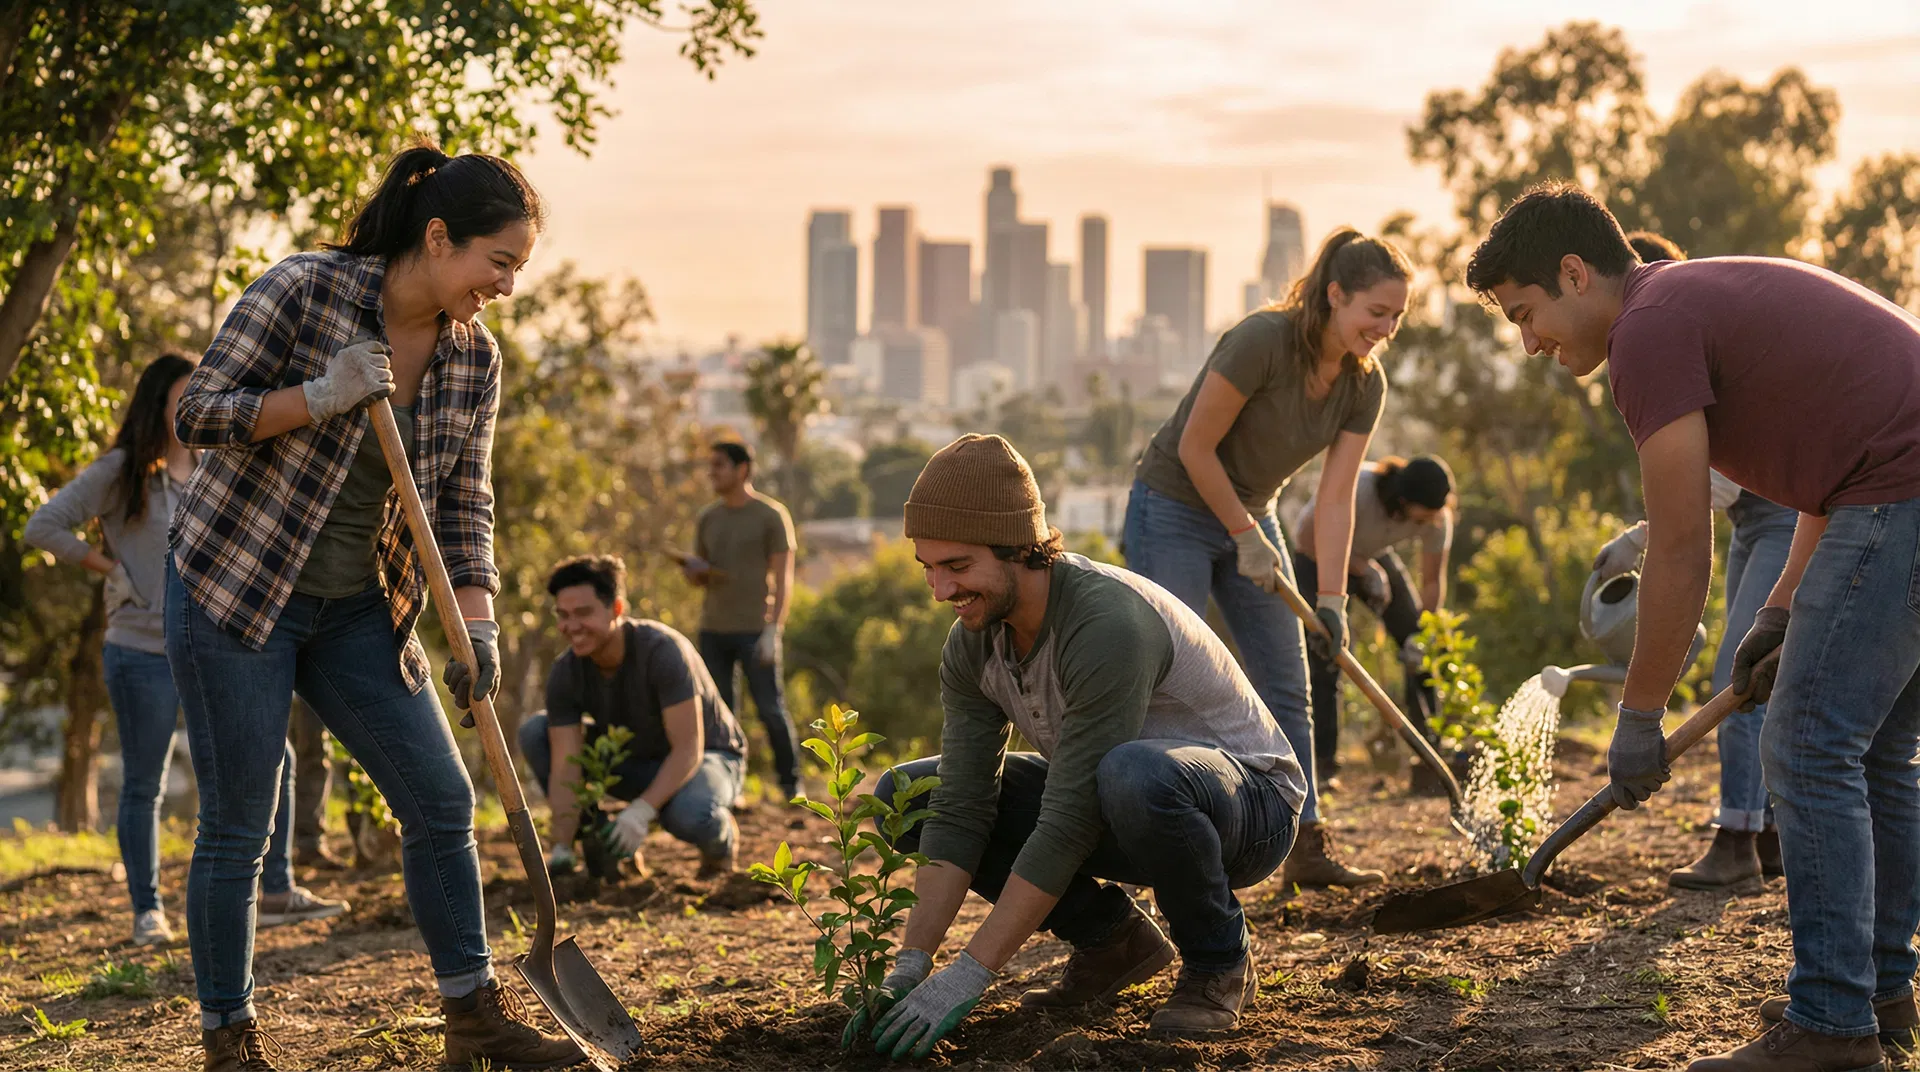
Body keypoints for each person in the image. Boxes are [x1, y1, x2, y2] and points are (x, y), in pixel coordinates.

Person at [1467, 181, 1920, 1072]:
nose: (1528, 344)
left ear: (1573, 272)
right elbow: (1829, 467)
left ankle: (1833, 1026)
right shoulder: (1691, 296)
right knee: (1872, 754)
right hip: (1891, 488)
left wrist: (1640, 717)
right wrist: (1782, 605)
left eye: (1526, 314)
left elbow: (1679, 545)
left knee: (1806, 745)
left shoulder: (1649, 327)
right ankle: (1878, 989)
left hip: (1900, 495)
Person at [166, 145, 581, 1072]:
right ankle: (229, 1041)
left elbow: (464, 506)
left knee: (441, 800)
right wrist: (318, 396)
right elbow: (197, 412)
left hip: (358, 605)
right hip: (237, 588)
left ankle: (472, 1017)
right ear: (438, 238)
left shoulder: (474, 360)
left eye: (519, 269)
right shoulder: (306, 291)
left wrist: (477, 623)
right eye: (499, 263)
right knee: (241, 821)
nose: (507, 287)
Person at [857, 434, 1305, 1059]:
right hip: (1121, 798)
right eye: (928, 568)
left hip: (1246, 806)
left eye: (957, 567)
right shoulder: (974, 640)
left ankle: (1216, 961)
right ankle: (1114, 942)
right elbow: (963, 804)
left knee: (1133, 773)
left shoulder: (1106, 624)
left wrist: (970, 974)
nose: (940, 591)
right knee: (913, 794)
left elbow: (1069, 816)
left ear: (1019, 548)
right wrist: (912, 964)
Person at [1123, 226, 1411, 888]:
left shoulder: (1364, 384)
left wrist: (1333, 600)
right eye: (1377, 312)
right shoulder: (1263, 340)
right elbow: (1196, 447)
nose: (1386, 328)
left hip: (1255, 512)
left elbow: (1336, 499)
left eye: (1397, 317)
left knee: (1289, 681)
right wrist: (1242, 533)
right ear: (1336, 295)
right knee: (1165, 678)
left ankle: (1304, 842)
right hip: (1172, 506)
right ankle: (1145, 855)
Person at [26, 355, 345, 947]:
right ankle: (148, 910)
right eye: (183, 396)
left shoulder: (213, 464)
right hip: (142, 650)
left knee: (276, 755)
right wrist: (111, 567)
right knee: (143, 782)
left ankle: (276, 889)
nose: (195, 404)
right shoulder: (121, 471)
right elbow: (43, 525)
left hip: (211, 645)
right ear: (156, 404)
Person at [1586, 230, 1797, 892]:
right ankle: (1763, 837)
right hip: (1758, 520)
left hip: (1786, 514)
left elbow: (1706, 490)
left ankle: (1736, 838)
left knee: (1737, 672)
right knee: (1758, 676)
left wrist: (1636, 541)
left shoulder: (1684, 333)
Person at [519, 555, 748, 879]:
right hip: (637, 760)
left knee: (691, 814)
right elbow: (566, 766)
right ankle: (605, 844)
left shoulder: (662, 651)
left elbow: (688, 749)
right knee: (536, 731)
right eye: (564, 616)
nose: (572, 627)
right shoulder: (567, 672)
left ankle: (721, 845)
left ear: (616, 609)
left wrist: (640, 812)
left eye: (583, 613)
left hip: (706, 758)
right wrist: (562, 845)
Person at [1288, 454, 1455, 784]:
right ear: (1404, 502)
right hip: (1317, 559)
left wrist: (1426, 631)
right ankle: (1323, 767)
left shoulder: (1437, 516)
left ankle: (1431, 751)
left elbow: (1433, 582)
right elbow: (1305, 539)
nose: (1434, 520)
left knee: (1416, 644)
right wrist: (1363, 569)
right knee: (1326, 655)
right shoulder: (1358, 487)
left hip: (1373, 557)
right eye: (1426, 514)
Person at [682, 441, 800, 802]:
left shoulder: (771, 515)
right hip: (713, 628)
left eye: (719, 465)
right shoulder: (708, 517)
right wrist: (694, 572)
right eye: (711, 466)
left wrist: (772, 631)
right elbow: (700, 574)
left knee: (769, 708)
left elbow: (784, 579)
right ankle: (728, 789)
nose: (712, 473)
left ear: (743, 469)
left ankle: (790, 784)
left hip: (755, 629)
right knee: (720, 715)